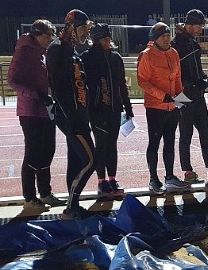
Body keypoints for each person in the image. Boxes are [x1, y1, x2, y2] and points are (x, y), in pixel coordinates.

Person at [7, 19, 67, 214]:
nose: (51, 38)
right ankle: (29, 197)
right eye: (47, 35)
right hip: (31, 111)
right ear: (37, 34)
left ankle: (45, 193)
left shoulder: (45, 52)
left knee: (48, 151)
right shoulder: (24, 51)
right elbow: (12, 80)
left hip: (47, 110)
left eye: (52, 35)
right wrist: (36, 95)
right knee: (33, 153)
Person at [172, 9, 208, 185]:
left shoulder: (194, 44)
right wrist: (196, 82)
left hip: (197, 95)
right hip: (181, 96)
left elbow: (198, 71)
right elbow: (177, 75)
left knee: (206, 132)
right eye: (199, 26)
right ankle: (188, 172)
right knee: (185, 134)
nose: (201, 30)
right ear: (189, 24)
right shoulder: (176, 45)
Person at [46, 9, 95, 220]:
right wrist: (73, 119)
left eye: (87, 28)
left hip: (79, 116)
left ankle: (72, 207)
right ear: (70, 27)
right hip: (71, 118)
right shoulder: (57, 49)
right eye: (82, 28)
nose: (85, 33)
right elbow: (58, 88)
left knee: (76, 161)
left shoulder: (71, 50)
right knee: (91, 160)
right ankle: (70, 207)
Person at [81, 23, 134, 200]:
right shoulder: (87, 58)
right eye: (104, 38)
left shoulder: (116, 58)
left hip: (114, 110)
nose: (107, 41)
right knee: (101, 145)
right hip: (97, 110)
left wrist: (128, 107)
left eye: (108, 38)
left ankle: (112, 178)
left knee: (112, 145)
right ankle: (101, 180)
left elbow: (121, 86)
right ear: (95, 40)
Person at [137, 22, 190, 195]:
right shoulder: (146, 56)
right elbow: (142, 81)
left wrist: (179, 101)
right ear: (155, 38)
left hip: (171, 107)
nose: (167, 39)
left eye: (168, 35)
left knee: (169, 142)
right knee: (154, 142)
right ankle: (153, 179)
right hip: (155, 107)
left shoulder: (174, 53)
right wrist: (162, 96)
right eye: (163, 36)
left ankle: (170, 177)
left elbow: (177, 78)